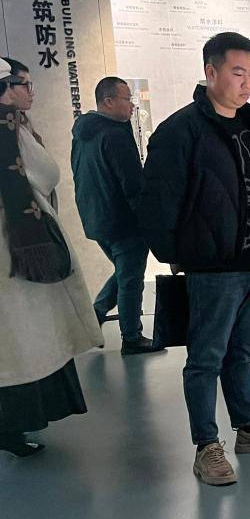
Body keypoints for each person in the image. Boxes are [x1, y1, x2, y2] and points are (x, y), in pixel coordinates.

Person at [139, 32, 250, 487]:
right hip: (213, 267)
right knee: (206, 358)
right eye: (237, 73)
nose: (246, 83)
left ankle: (248, 428)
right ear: (210, 72)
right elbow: (158, 199)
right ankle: (207, 445)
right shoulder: (181, 130)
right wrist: (177, 254)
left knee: (243, 351)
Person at [0, 57, 103, 457]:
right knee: (22, 342)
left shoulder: (15, 125)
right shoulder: (9, 128)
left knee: (18, 342)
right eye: (24, 84)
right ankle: (11, 427)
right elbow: (44, 172)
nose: (31, 92)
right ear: (5, 89)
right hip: (15, 248)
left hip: (14, 244)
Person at [71, 76, 163, 355]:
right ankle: (131, 337)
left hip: (96, 218)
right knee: (130, 279)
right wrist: (149, 217)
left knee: (125, 272)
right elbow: (131, 182)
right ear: (109, 101)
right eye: (127, 99)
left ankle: (94, 317)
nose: (132, 105)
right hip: (123, 220)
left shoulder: (83, 133)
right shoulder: (115, 134)